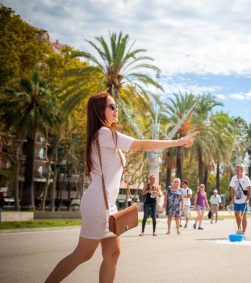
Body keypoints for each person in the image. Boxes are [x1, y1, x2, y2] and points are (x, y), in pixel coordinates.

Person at [45, 93, 198, 282]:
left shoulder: (106, 135)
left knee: (113, 254)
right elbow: (141, 145)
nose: (116, 109)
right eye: (111, 106)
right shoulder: (103, 133)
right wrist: (178, 142)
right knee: (83, 254)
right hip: (98, 203)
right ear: (99, 111)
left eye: (115, 106)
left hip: (107, 204)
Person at [230, 164, 251, 236]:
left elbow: (249, 190)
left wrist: (247, 199)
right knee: (236, 214)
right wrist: (232, 198)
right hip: (236, 200)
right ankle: (239, 229)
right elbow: (232, 189)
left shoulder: (246, 179)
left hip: (244, 200)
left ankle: (243, 232)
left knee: (243, 215)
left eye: (238, 170)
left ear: (242, 170)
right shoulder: (234, 178)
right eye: (235, 170)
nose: (236, 171)